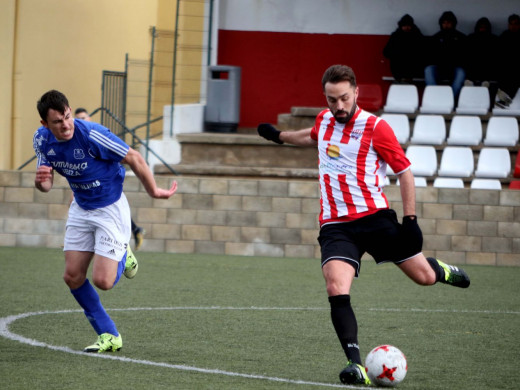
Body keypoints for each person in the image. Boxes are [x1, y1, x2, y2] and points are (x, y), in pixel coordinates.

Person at [257, 65, 470, 386]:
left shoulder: (376, 127)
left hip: (375, 219)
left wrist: (411, 220)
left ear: (356, 92)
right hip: (336, 226)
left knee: (423, 278)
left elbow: (405, 172)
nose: (338, 106)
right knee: (335, 286)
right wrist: (279, 136)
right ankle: (355, 365)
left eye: (344, 98)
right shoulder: (324, 120)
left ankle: (441, 270)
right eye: (332, 100)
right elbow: (311, 137)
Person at [34, 90, 178, 353]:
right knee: (72, 276)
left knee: (104, 282)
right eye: (57, 121)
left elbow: (134, 157)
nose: (65, 125)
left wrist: (155, 191)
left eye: (67, 117)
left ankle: (124, 251)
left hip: (109, 208)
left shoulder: (90, 134)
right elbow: (47, 182)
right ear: (45, 124)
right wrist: (41, 183)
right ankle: (109, 335)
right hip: (80, 208)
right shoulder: (41, 140)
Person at [74, 107, 145, 250]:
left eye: (83, 118)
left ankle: (124, 245)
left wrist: (154, 190)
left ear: (89, 119)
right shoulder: (76, 140)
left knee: (112, 212)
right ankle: (79, 240)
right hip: (87, 194)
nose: (80, 121)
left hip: (107, 183)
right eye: (78, 119)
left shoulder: (96, 133)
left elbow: (130, 155)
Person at [424, 11, 466, 98]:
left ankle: (451, 99)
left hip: (455, 68)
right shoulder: (436, 38)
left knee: (461, 73)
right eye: (444, 23)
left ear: (453, 23)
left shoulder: (461, 38)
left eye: (449, 22)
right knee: (428, 70)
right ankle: (434, 97)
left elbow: (464, 57)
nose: (446, 25)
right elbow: (429, 56)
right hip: (439, 67)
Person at [383, 14, 425, 83]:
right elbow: (386, 52)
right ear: (401, 26)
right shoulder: (395, 36)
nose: (407, 28)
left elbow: (422, 51)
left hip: (412, 67)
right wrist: (397, 54)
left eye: (408, 26)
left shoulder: (417, 35)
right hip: (397, 67)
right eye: (404, 25)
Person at [495, 14, 520, 108]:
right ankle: (504, 102)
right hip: (506, 67)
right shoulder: (504, 36)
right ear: (508, 25)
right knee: (505, 74)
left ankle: (506, 102)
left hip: (517, 67)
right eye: (511, 24)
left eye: (516, 24)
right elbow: (499, 55)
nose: (513, 26)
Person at [464, 17, 498, 87]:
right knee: (470, 62)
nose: (482, 29)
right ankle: (470, 82)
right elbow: (466, 54)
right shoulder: (471, 38)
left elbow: (496, 55)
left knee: (489, 62)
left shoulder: (494, 39)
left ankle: (485, 82)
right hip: (474, 62)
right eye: (481, 27)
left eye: (484, 27)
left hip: (488, 63)